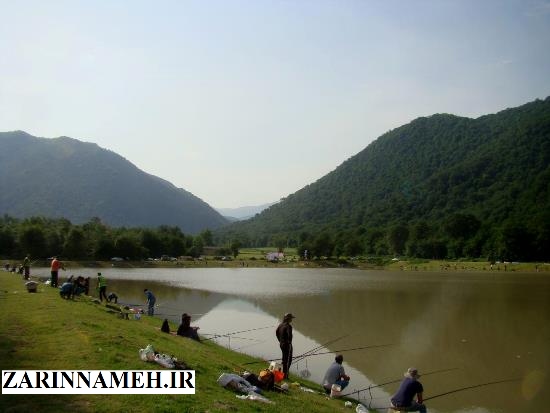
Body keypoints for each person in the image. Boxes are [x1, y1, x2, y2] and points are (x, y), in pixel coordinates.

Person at [275, 313, 295, 379]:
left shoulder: (280, 325)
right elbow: (289, 336)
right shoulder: (288, 326)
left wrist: (280, 341)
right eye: (291, 318)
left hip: (281, 344)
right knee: (288, 360)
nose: (292, 319)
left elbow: (277, 332)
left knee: (284, 359)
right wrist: (289, 342)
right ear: (288, 319)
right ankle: (285, 375)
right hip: (287, 345)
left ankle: (281, 373)